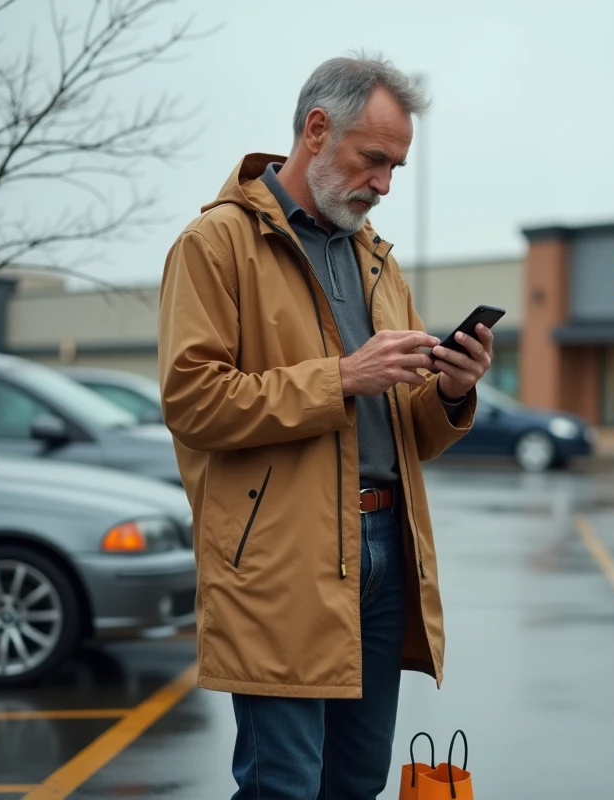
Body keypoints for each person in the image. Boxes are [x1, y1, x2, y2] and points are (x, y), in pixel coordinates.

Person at [156, 52, 493, 799]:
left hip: (386, 552)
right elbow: (192, 401)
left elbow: (408, 432)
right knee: (283, 786)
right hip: (279, 558)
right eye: (374, 159)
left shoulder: (378, 262)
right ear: (316, 130)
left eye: (396, 167)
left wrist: (450, 391)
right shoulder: (215, 244)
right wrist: (340, 377)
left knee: (356, 783)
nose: (385, 184)